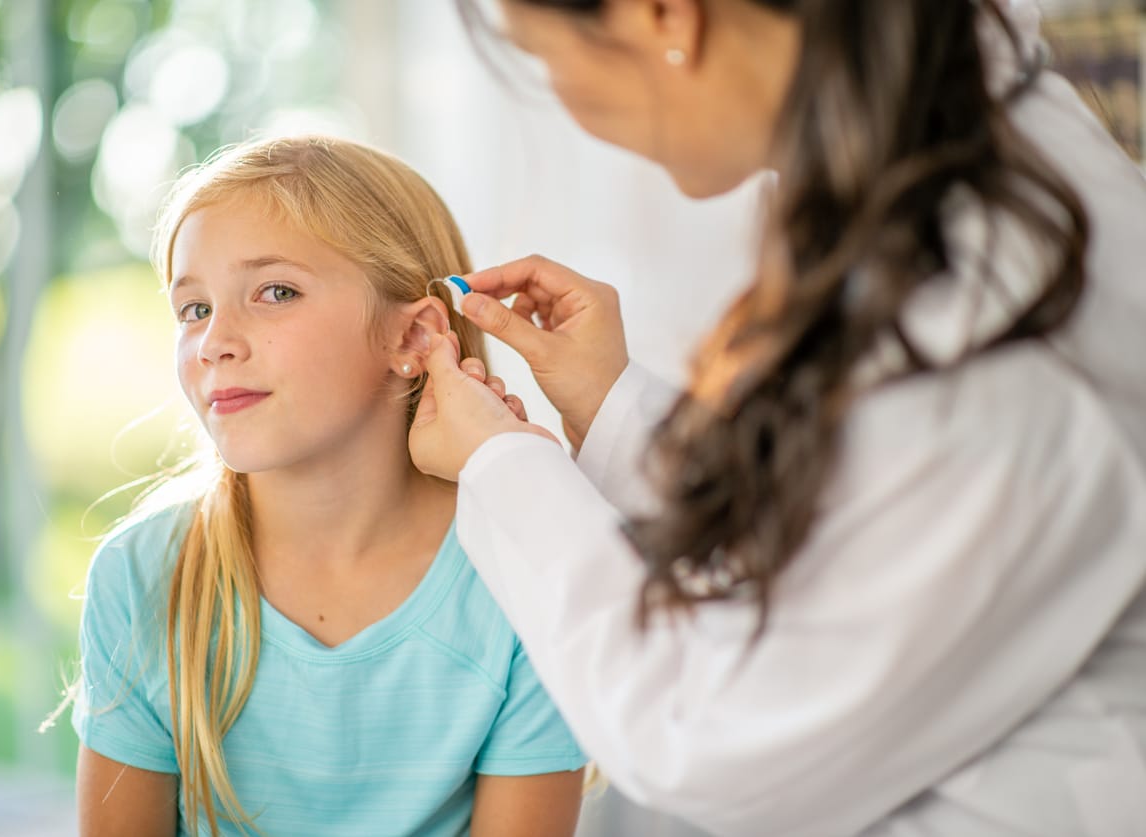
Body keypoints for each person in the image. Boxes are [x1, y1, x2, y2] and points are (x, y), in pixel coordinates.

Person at [408, 1, 1146, 835]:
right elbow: (849, 532)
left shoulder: (984, 321)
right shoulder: (909, 167)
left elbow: (708, 735)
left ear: (663, 16)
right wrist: (611, 405)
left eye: (545, 57)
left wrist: (506, 468)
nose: (564, 98)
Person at [71, 135, 586, 837]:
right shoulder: (144, 578)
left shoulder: (523, 577)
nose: (215, 339)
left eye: (274, 291)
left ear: (414, 339)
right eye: (193, 308)